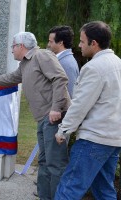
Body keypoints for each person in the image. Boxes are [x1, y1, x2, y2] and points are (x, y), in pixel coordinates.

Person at [0, 32, 70, 200]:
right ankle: (45, 196)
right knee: (44, 162)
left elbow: (60, 79)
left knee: (55, 164)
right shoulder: (25, 64)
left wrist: (56, 108)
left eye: (13, 47)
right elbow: (12, 78)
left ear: (21, 46)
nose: (11, 50)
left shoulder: (42, 55)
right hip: (43, 119)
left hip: (54, 118)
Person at [55, 21, 121, 200]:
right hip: (114, 139)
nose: (78, 45)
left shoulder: (94, 67)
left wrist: (64, 129)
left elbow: (80, 104)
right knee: (104, 189)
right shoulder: (118, 63)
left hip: (94, 138)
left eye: (82, 41)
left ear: (94, 43)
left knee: (69, 188)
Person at [47, 25, 79, 98]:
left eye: (50, 42)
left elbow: (70, 93)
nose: (48, 45)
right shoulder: (61, 60)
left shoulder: (66, 63)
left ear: (60, 43)